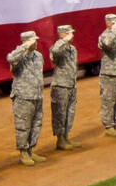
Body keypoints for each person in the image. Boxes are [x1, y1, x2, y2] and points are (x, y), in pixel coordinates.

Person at [7, 30, 46, 165]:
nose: (35, 42)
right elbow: (11, 58)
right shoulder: (19, 57)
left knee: (36, 124)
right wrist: (24, 47)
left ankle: (30, 150)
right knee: (23, 125)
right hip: (23, 96)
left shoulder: (38, 56)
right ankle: (23, 153)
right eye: (32, 40)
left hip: (37, 94)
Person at [49, 25, 80, 150]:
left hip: (71, 84)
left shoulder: (72, 49)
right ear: (62, 35)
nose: (72, 35)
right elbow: (56, 51)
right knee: (60, 114)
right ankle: (60, 140)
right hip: (60, 85)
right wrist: (64, 40)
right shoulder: (56, 48)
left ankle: (66, 137)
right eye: (68, 33)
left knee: (69, 113)